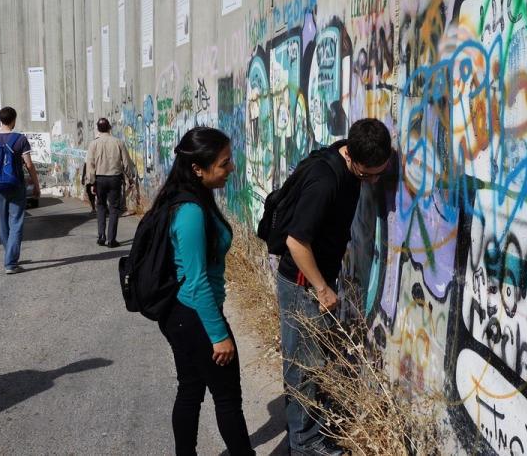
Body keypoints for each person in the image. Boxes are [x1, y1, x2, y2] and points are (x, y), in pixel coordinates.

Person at [278, 118, 392, 456]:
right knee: (304, 365)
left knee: (314, 360)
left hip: (318, 280)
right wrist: (321, 288)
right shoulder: (325, 181)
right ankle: (303, 443)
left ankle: (307, 432)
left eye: (380, 173)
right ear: (350, 156)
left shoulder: (353, 158)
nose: (372, 181)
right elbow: (296, 242)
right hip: (303, 284)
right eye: (366, 175)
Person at [152, 127, 255, 456]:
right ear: (198, 168)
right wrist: (218, 334)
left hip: (182, 315)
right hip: (194, 314)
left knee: (190, 391)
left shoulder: (193, 198)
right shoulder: (191, 212)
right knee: (227, 399)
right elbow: (196, 282)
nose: (231, 169)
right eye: (224, 163)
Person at [0, 106, 41, 274]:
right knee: (16, 223)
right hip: (16, 185)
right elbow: (29, 165)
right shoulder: (20, 139)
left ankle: (10, 256)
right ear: (14, 120)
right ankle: (11, 263)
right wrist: (36, 185)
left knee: (4, 222)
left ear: (0, 120)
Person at [85, 118, 135, 247]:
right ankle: (112, 239)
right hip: (115, 178)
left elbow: (90, 165)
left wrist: (91, 183)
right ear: (110, 127)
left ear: (98, 129)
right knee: (114, 208)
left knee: (101, 206)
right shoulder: (118, 142)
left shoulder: (93, 144)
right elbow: (126, 162)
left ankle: (101, 235)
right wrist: (130, 177)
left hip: (100, 179)